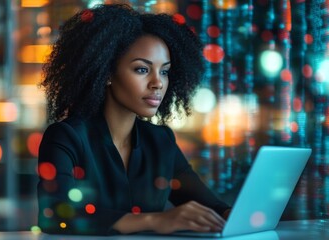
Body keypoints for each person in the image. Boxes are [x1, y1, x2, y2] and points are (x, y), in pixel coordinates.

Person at [37, 4, 230, 235]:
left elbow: (213, 208)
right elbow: (55, 214)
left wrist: (236, 215)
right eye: (142, 69)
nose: (157, 83)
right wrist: (154, 221)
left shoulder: (161, 141)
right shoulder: (67, 137)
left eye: (164, 71)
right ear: (106, 73)